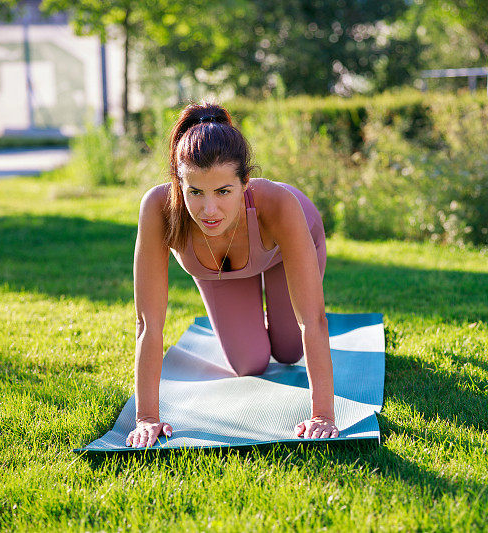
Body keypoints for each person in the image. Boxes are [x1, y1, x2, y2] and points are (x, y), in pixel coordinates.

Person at [126, 101, 339, 448]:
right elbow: (148, 323)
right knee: (250, 363)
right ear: (178, 184)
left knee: (288, 349)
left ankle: (273, 312)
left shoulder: (279, 204)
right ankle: (255, 317)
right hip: (219, 269)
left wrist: (322, 416)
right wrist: (147, 417)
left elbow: (312, 320)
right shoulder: (158, 208)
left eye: (224, 191)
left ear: (245, 183)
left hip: (283, 250)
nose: (209, 210)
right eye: (195, 192)